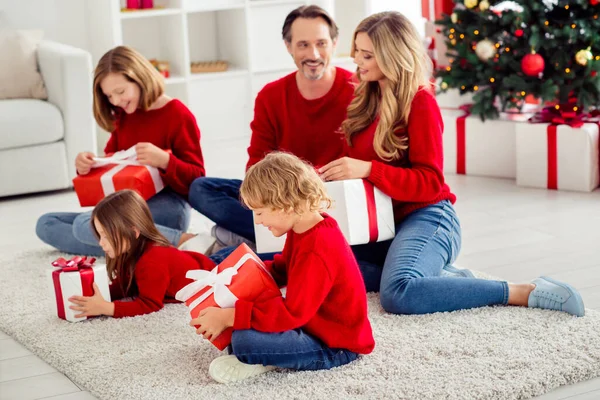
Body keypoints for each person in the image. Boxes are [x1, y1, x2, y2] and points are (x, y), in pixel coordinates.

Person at [319, 12, 585, 317]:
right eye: (356, 52)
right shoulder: (364, 99)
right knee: (327, 267)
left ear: (393, 56)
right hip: (381, 224)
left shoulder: (421, 102)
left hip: (427, 217)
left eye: (367, 55)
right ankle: (440, 280)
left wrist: (368, 170)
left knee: (398, 293)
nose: (357, 61)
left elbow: (430, 182)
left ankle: (522, 291)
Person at [191, 153, 375, 384]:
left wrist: (231, 316)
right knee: (241, 328)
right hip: (312, 326)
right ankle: (265, 354)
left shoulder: (317, 248)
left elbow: (292, 313)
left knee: (243, 341)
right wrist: (232, 281)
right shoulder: (304, 230)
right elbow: (280, 269)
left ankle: (264, 360)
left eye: (259, 213)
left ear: (285, 205)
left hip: (334, 345)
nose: (257, 222)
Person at [185, 5, 355, 253]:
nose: (314, 54)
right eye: (303, 45)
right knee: (201, 189)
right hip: (281, 199)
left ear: (334, 42)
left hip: (331, 200)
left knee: (223, 258)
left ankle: (269, 242)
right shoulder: (271, 96)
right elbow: (255, 164)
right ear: (288, 46)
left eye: (321, 43)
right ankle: (282, 241)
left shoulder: (358, 91)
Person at [36, 45, 205, 257]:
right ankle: (132, 245)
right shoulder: (125, 115)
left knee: (83, 225)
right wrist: (88, 164)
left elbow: (198, 180)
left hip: (170, 206)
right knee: (46, 224)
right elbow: (111, 167)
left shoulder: (177, 114)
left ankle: (179, 240)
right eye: (109, 96)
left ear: (140, 79)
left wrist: (164, 160)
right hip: (128, 206)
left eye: (121, 92)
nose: (116, 101)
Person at [67, 190, 216, 318]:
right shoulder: (129, 251)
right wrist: (97, 297)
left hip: (213, 273)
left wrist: (107, 308)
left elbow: (150, 304)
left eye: (106, 236)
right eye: (100, 236)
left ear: (133, 232)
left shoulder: (152, 261)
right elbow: (125, 286)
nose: (101, 243)